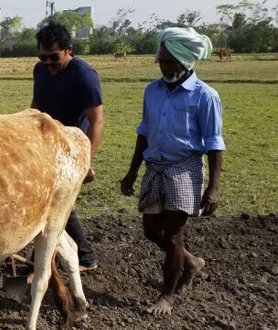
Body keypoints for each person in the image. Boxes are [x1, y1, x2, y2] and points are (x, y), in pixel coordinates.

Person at [120, 27, 224, 315]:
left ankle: (167, 295)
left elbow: (215, 143)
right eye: (162, 61)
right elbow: (144, 131)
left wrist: (213, 188)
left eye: (170, 62)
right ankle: (190, 262)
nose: (165, 67)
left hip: (185, 168)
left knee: (174, 234)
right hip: (155, 166)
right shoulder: (151, 91)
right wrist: (131, 172)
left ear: (187, 61)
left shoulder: (205, 96)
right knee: (151, 230)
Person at [31, 22, 103, 272]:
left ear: (68, 50)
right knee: (42, 202)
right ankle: (43, 258)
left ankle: (85, 257)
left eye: (54, 57)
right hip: (46, 146)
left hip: (71, 148)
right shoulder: (40, 71)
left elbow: (96, 120)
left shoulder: (84, 75)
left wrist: (86, 162)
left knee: (58, 204)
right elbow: (36, 107)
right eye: (43, 57)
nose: (48, 63)